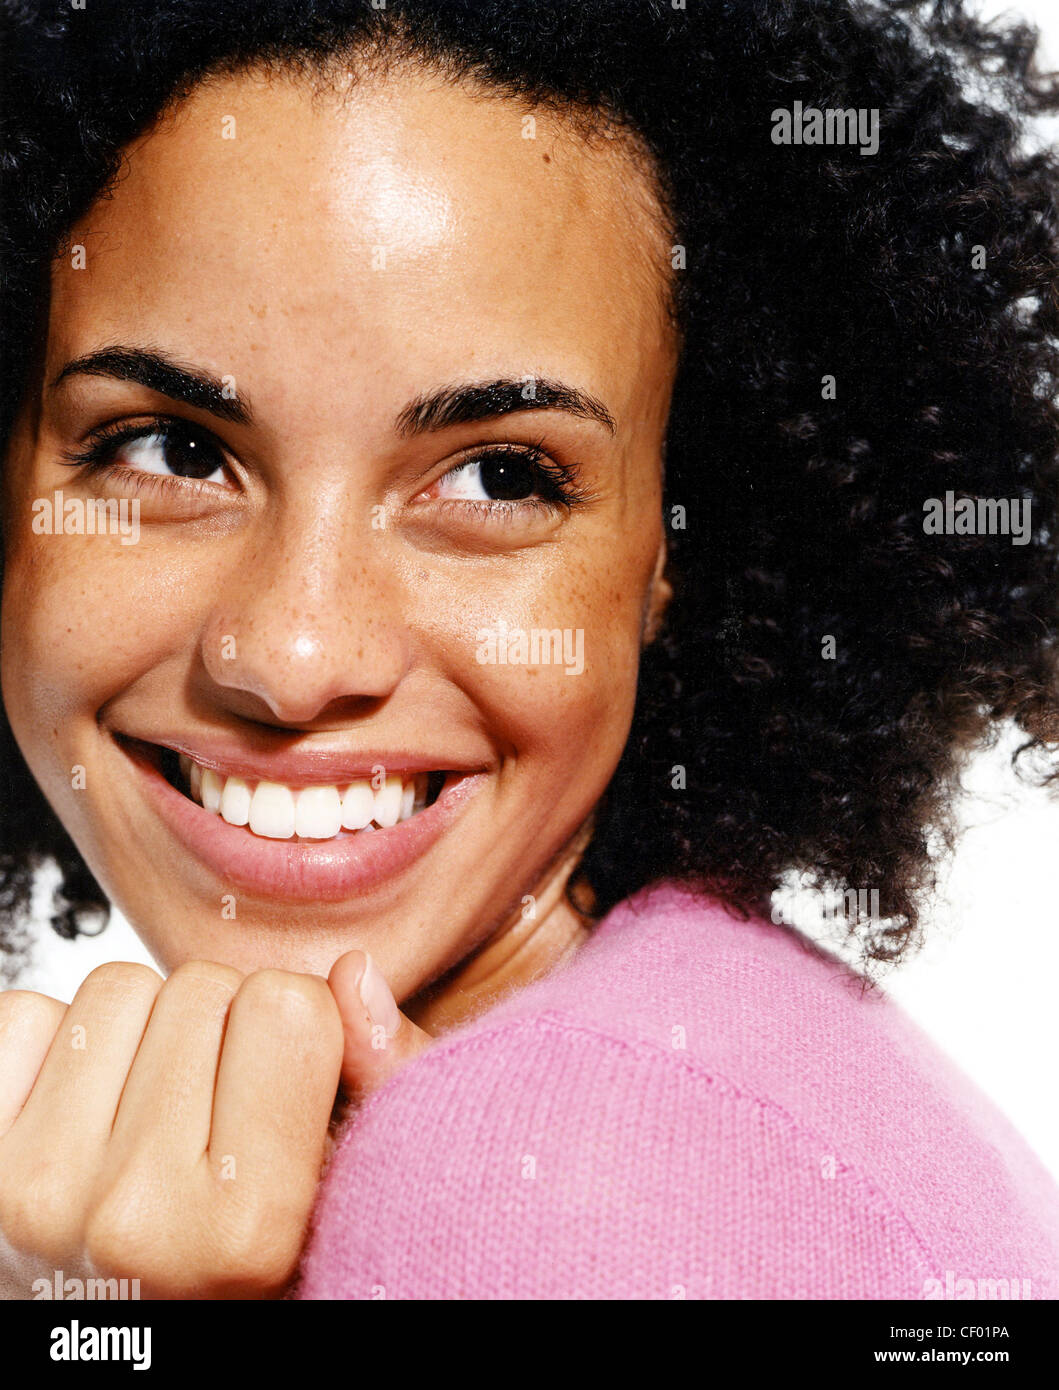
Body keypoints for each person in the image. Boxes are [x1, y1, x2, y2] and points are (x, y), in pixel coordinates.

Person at [0, 0, 1057, 1299]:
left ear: (682, 545)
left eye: (501, 475)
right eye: (168, 448)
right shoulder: (714, 1060)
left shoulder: (543, 1169)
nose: (292, 650)